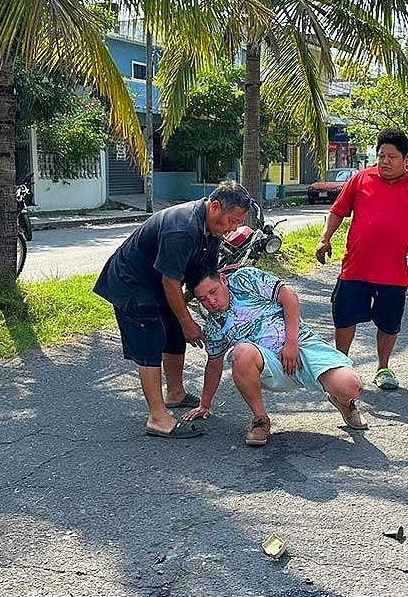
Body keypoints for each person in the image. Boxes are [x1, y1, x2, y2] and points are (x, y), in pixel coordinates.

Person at [93, 181, 252, 439]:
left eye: (238, 222)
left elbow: (204, 276)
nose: (234, 227)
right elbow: (171, 282)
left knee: (175, 331)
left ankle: (175, 393)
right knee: (151, 338)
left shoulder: (212, 230)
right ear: (214, 207)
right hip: (132, 283)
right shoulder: (182, 228)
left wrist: (222, 311)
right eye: (232, 220)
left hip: (159, 283)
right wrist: (189, 322)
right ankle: (157, 417)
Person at [316, 128, 408, 390]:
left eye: (392, 156)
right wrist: (324, 238)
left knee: (389, 322)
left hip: (395, 272)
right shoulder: (361, 179)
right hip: (356, 267)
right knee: (344, 317)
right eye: (381, 156)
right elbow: (338, 211)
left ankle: (383, 367)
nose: (385, 161)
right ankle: (341, 366)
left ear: (406, 158)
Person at [183, 267, 367, 446]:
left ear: (223, 280)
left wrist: (291, 343)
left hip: (301, 344)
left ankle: (344, 402)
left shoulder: (245, 279)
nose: (211, 302)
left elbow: (289, 297)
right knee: (241, 352)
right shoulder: (213, 326)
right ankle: (260, 419)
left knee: (351, 386)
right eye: (203, 299)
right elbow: (213, 365)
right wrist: (204, 405)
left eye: (213, 292)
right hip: (270, 365)